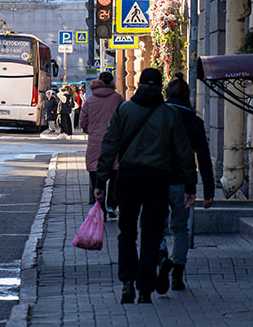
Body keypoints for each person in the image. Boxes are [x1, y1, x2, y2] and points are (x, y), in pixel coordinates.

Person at [94, 67, 196, 305]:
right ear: (160, 87)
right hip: (157, 180)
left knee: (127, 232)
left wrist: (101, 181)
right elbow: (184, 152)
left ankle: (128, 281)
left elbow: (109, 146)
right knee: (151, 235)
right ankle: (145, 289)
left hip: (127, 179)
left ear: (138, 84)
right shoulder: (169, 115)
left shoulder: (124, 110)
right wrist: (190, 186)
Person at [156, 74, 215, 294]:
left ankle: (161, 258)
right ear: (188, 96)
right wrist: (208, 191)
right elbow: (204, 157)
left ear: (167, 94)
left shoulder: (157, 116)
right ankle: (177, 276)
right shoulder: (194, 121)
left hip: (158, 181)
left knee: (157, 227)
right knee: (180, 229)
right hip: (183, 184)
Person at [80, 72, 123, 216]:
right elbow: (124, 119)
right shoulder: (117, 99)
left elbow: (83, 122)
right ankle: (111, 204)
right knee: (114, 175)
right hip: (115, 143)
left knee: (96, 177)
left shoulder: (90, 100)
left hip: (95, 143)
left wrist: (92, 132)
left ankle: (101, 207)